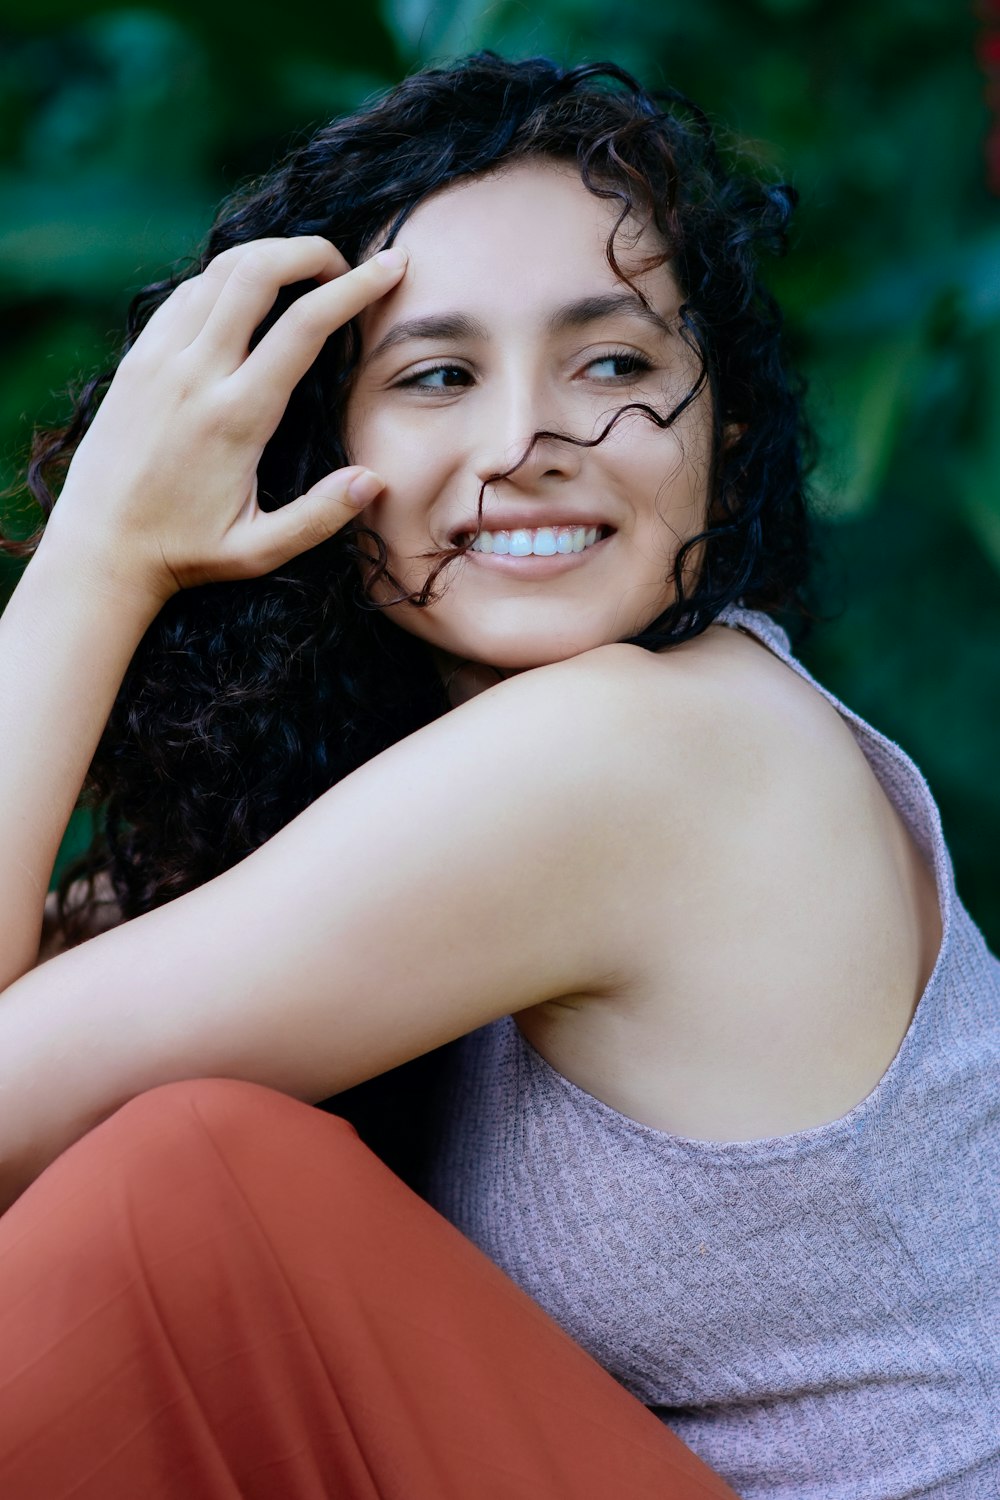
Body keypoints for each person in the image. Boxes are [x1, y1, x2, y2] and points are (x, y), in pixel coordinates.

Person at [0, 50, 996, 1500]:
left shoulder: (650, 754)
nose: (526, 441)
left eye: (613, 364)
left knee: (195, 1185)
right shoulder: (427, 780)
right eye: (438, 376)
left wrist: (99, 556)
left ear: (723, 443)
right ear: (315, 455)